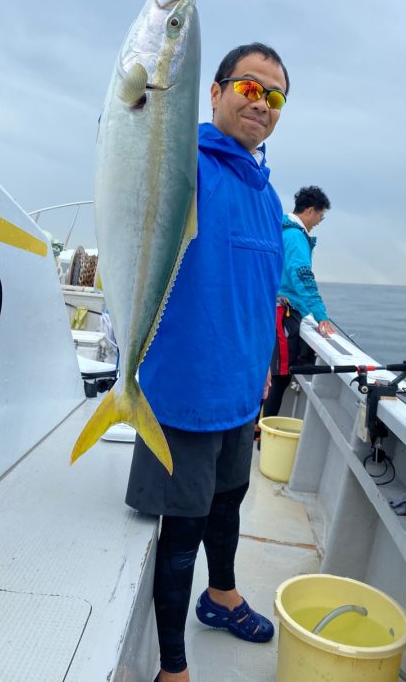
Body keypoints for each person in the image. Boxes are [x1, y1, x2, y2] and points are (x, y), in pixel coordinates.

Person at [125, 43, 289, 682]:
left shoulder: (267, 193)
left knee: (230, 502)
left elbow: (260, 292)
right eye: (251, 88)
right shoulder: (181, 163)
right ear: (215, 91)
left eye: (274, 97)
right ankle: (172, 667)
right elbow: (132, 130)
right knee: (183, 529)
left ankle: (220, 597)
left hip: (242, 394)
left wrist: (264, 373)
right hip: (186, 393)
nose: (262, 104)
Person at [263, 185, 335, 417]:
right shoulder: (295, 236)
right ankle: (262, 430)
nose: (319, 221)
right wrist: (321, 314)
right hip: (282, 313)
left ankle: (258, 425)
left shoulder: (283, 230)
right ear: (311, 211)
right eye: (320, 216)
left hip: (274, 311)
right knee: (281, 375)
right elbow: (302, 276)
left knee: (273, 373)